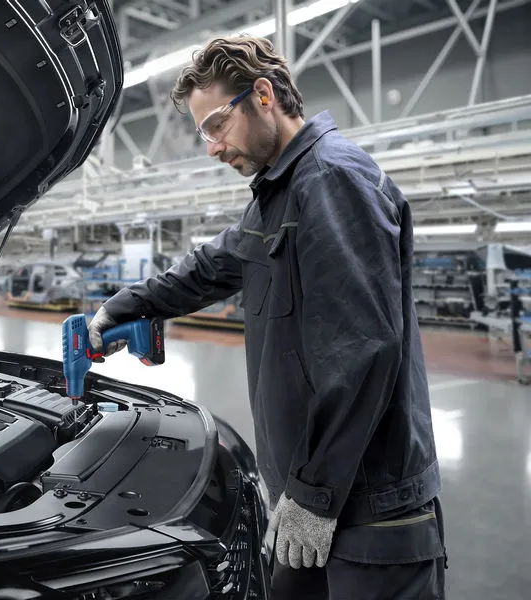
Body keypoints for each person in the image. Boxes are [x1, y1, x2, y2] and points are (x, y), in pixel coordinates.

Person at [88, 36, 446, 599]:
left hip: (365, 511)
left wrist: (313, 495)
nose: (211, 148)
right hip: (308, 498)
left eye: (214, 127)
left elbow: (363, 353)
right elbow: (211, 266)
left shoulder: (333, 180)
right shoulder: (277, 196)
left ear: (262, 95)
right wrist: (125, 305)